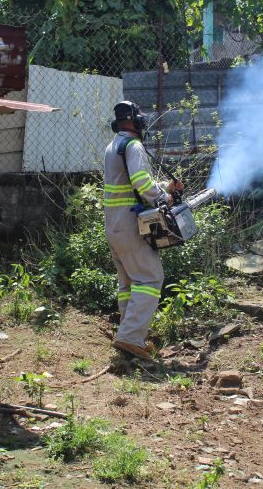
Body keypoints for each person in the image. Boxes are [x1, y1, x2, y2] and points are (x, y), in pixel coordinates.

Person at [103, 101, 183, 360]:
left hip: (114, 224)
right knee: (150, 278)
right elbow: (141, 183)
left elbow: (131, 183)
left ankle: (128, 335)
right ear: (136, 121)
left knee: (129, 282)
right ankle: (130, 338)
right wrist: (165, 198)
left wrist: (164, 187)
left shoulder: (113, 145)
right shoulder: (134, 145)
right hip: (130, 224)